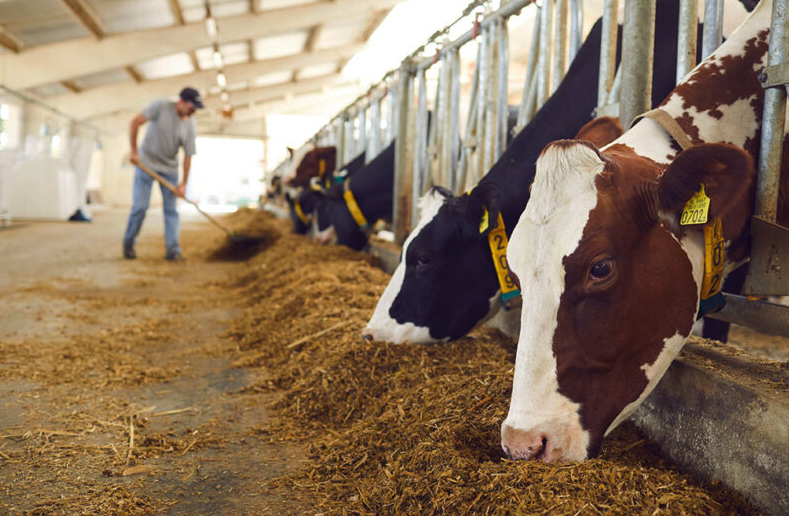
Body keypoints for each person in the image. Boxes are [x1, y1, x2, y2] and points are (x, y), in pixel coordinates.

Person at [122, 87, 203, 261]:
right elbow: (135, 122)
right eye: (191, 107)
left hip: (169, 170)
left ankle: (172, 250)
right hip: (146, 164)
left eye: (195, 109)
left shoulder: (190, 124)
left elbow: (188, 155)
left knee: (171, 210)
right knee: (140, 207)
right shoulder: (161, 106)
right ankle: (128, 243)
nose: (193, 112)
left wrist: (183, 184)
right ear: (181, 102)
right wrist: (134, 152)